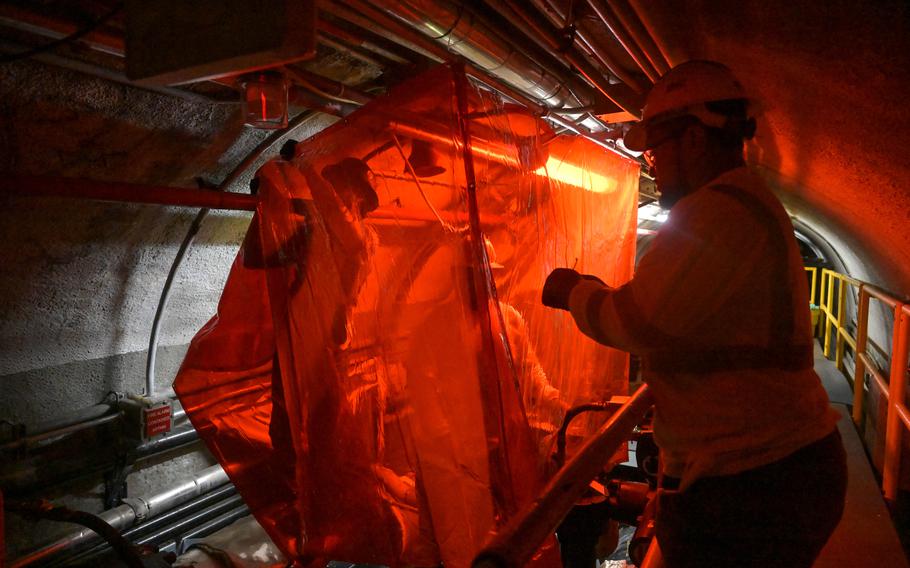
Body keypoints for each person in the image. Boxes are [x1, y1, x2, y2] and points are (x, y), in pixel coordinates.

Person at [540, 60, 847, 567]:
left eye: (658, 149)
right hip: (767, 468)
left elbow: (635, 322)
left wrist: (574, 291)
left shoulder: (716, 212)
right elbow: (677, 315)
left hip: (751, 483)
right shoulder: (742, 205)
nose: (653, 165)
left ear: (696, 139)